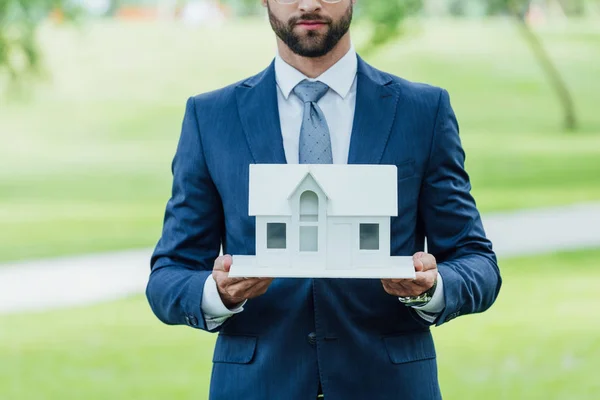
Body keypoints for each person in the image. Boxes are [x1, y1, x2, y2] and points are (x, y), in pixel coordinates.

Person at [146, 0, 502, 399]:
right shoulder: (210, 116)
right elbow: (168, 276)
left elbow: (477, 262)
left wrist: (432, 288)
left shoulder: (423, 111)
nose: (309, 3)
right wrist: (218, 293)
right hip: (256, 386)